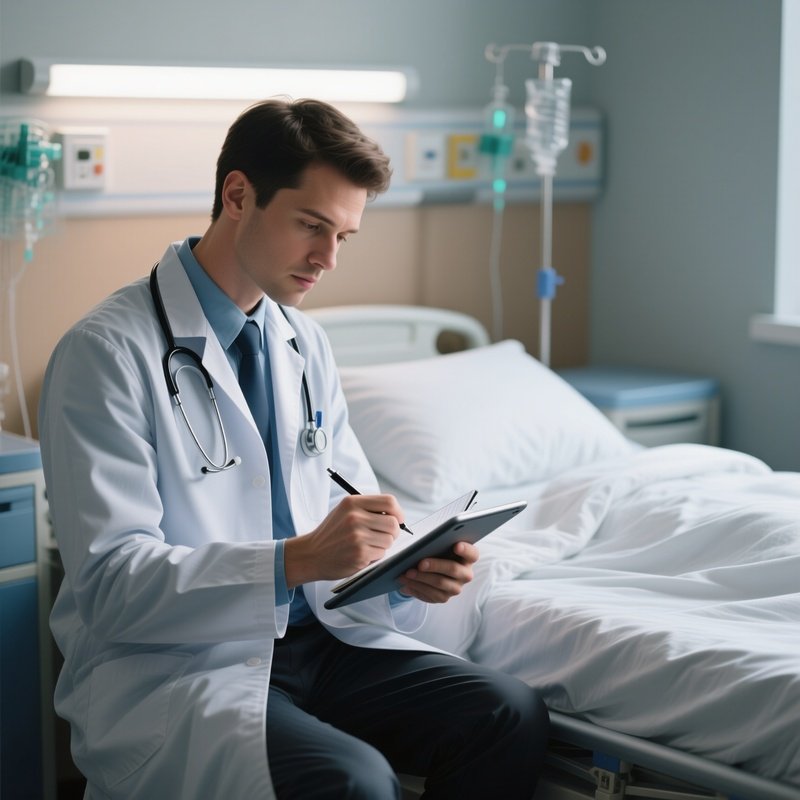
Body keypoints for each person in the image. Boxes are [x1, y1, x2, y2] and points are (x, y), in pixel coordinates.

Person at [39, 98, 549, 800]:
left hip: (322, 640)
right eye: (312, 226)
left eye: (344, 235)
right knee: (355, 782)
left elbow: (352, 502)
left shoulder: (302, 341)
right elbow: (110, 588)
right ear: (238, 196)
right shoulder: (106, 353)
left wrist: (402, 566)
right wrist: (295, 559)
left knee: (508, 714)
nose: (328, 259)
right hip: (182, 664)